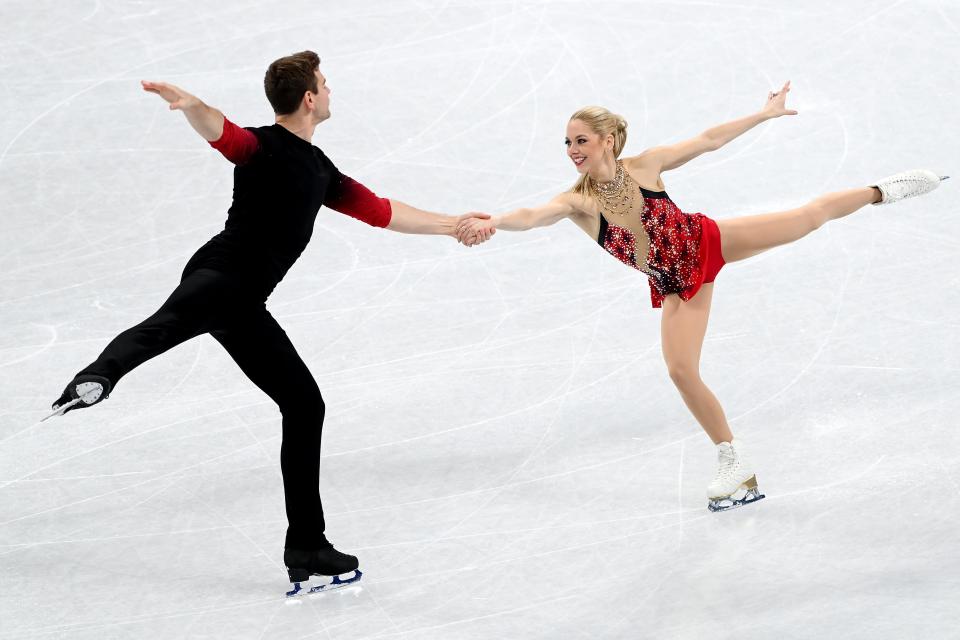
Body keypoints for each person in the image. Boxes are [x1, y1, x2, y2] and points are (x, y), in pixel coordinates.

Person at [47, 50, 492, 596]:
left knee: (302, 402)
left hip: (241, 299)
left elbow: (381, 211)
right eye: (324, 85)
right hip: (221, 277)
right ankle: (97, 377)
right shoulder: (263, 146)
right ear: (309, 98)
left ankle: (307, 545)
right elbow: (225, 134)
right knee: (167, 325)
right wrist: (192, 106)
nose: (329, 92)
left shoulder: (320, 169)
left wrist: (453, 225)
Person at [456, 81, 947, 512]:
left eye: (580, 140)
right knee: (680, 370)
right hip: (676, 283)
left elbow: (708, 141)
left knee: (806, 218)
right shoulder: (577, 201)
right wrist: (494, 221)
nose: (572, 149)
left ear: (607, 140)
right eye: (567, 142)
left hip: (705, 241)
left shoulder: (645, 166)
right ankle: (734, 460)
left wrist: (764, 114)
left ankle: (884, 190)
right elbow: (531, 214)